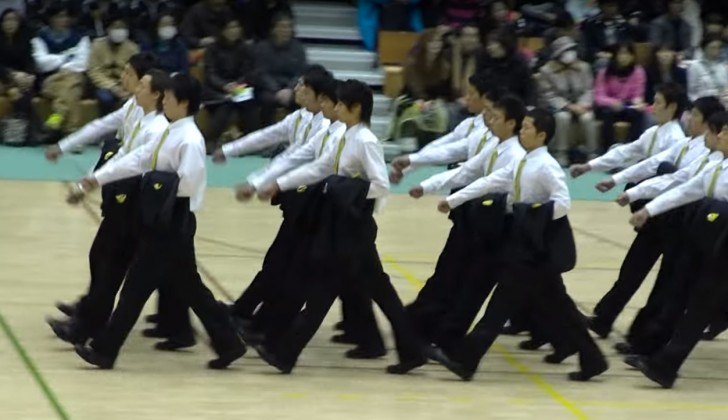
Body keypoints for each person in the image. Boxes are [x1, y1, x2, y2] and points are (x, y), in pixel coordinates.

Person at [70, 73, 247, 370]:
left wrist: (154, 185)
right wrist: (97, 178)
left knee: (135, 289)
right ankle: (228, 343)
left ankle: (105, 349)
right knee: (192, 289)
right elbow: (139, 158)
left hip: (172, 221)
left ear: (184, 102)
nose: (163, 100)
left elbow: (190, 185)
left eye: (169, 97)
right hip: (163, 219)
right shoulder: (170, 130)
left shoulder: (190, 139)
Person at [254, 79, 427, 375]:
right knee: (375, 293)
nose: (333, 108)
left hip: (353, 231)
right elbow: (320, 167)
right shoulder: (343, 136)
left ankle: (285, 353)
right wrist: (279, 184)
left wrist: (352, 198)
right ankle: (412, 351)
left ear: (355, 108)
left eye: (340, 104)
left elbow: (381, 185)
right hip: (343, 228)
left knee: (324, 291)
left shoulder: (366, 141)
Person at [431, 108, 608, 382]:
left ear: (541, 135)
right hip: (526, 246)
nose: (521, 131)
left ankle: (466, 359)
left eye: (526, 128)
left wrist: (534, 214)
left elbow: (562, 203)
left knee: (499, 306)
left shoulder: (547, 166)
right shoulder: (523, 162)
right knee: (559, 306)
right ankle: (592, 358)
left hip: (533, 248)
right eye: (522, 126)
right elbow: (490, 181)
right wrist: (454, 201)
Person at [45, 67, 181, 347]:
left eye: (142, 83)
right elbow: (121, 153)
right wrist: (90, 180)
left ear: (156, 95)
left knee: (116, 268)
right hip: (124, 199)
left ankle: (89, 327)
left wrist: (91, 182)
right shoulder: (138, 113)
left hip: (138, 205)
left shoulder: (157, 129)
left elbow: (134, 162)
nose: (136, 86)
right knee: (105, 260)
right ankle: (89, 320)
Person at [407, 95, 528, 354]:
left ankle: (450, 341)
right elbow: (466, 171)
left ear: (511, 123)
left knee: (484, 287)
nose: (490, 121)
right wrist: (428, 186)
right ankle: (444, 337)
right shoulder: (495, 146)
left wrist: (452, 200)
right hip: (483, 221)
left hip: (504, 227)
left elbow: (486, 183)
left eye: (496, 117)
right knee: (469, 281)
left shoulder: (516, 155)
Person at [569, 84, 686, 347]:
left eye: (657, 102)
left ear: (672, 107)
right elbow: (627, 152)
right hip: (651, 212)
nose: (652, 107)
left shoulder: (676, 139)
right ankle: (603, 318)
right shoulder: (655, 133)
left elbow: (657, 171)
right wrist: (591, 166)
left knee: (663, 280)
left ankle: (643, 335)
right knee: (632, 269)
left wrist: (621, 186)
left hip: (668, 215)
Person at [628, 112, 728, 388]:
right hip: (709, 242)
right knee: (687, 299)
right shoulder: (717, 167)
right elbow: (686, 190)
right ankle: (660, 359)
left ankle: (665, 365)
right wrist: (648, 209)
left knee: (699, 308)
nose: (720, 135)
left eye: (726, 133)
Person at [212, 64, 331, 166]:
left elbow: (297, 158)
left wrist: (260, 181)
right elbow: (266, 136)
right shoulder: (299, 116)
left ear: (318, 94)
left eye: (301, 85)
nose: (295, 89)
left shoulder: (326, 125)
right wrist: (228, 150)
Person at [389, 73, 493, 184]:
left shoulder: (491, 130)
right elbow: (439, 145)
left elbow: (450, 152)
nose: (467, 98)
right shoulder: (469, 124)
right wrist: (407, 167)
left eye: (471, 93)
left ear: (486, 98)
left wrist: (412, 161)